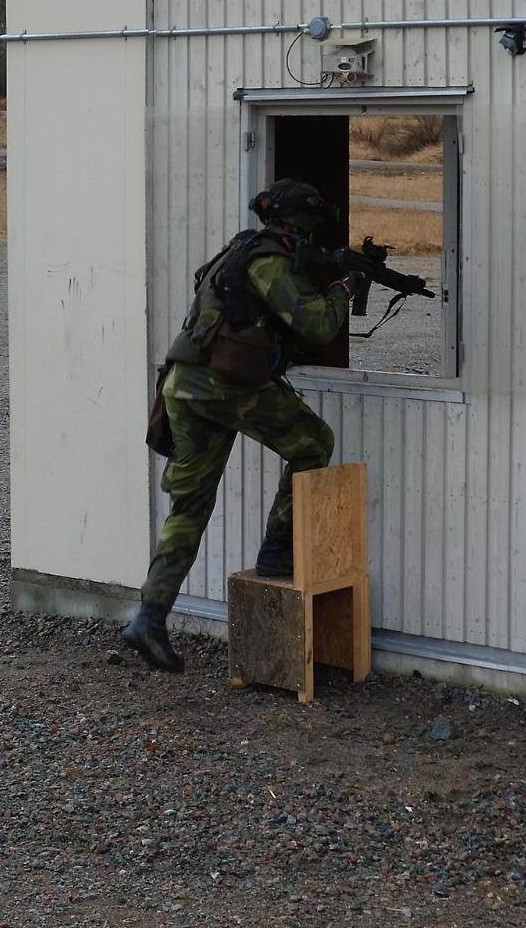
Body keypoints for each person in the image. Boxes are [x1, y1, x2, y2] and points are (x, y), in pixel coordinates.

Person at [122, 179, 359, 672]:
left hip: (184, 386)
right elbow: (317, 325)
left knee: (190, 506)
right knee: (315, 442)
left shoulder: (240, 249)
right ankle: (277, 552)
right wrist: (341, 291)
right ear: (300, 227)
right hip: (222, 387)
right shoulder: (269, 260)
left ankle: (149, 617)